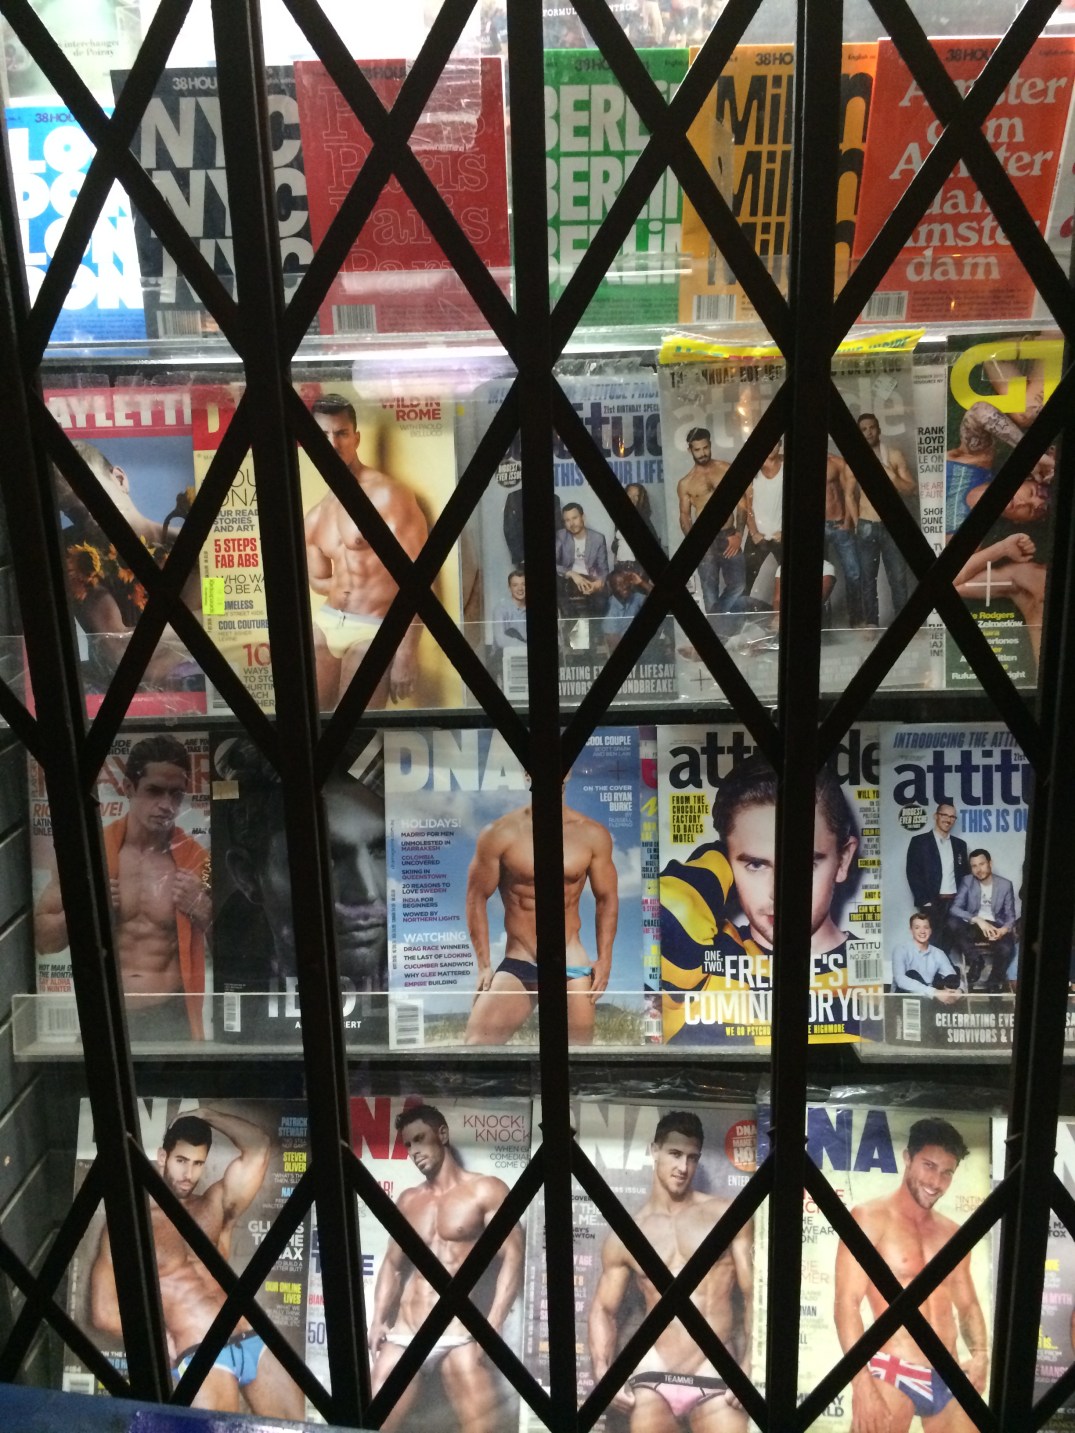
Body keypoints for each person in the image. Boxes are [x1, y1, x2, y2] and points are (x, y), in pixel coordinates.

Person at [90, 1107, 304, 1418]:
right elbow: (103, 1313)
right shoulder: (131, 1224)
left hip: (251, 1337)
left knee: (299, 1428)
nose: (188, 1173)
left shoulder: (214, 1203)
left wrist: (206, 1115)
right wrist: (159, 1338)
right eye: (181, 1161)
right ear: (163, 1157)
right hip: (200, 1351)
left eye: (197, 1163)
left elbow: (258, 1146)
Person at [660, 754, 860, 1043]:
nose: (779, 893)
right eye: (755, 864)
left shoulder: (877, 974)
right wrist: (717, 856)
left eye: (802, 864)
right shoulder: (702, 960)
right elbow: (669, 910)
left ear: (843, 860)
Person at [34, 734, 209, 1041]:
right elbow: (43, 940)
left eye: (176, 795)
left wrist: (204, 911)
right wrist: (85, 911)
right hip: (103, 1011)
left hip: (170, 1016)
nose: (166, 805)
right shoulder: (91, 856)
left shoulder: (196, 859)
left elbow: (237, 951)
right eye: (154, 791)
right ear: (128, 788)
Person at [589, 1110, 753, 1432]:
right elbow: (603, 1309)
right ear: (654, 1151)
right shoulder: (628, 1234)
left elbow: (754, 1297)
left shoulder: (727, 1216)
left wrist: (750, 1364)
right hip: (654, 1368)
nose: (683, 1167)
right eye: (675, 1154)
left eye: (692, 1157)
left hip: (713, 1366)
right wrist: (601, 1368)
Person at [367, 1104, 524, 1433]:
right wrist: (378, 1318)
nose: (414, 1151)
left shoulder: (485, 1190)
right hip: (406, 1333)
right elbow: (393, 1265)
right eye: (408, 1145)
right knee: (370, 1425)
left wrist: (494, 1324)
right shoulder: (409, 1201)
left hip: (457, 1333)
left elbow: (513, 1256)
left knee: (483, 1429)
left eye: (420, 1139)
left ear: (442, 1134)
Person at [834, 1117, 988, 1432]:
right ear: (907, 1158)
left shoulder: (952, 1234)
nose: (936, 1181)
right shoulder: (870, 1218)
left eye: (947, 1172)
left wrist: (981, 1354)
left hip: (948, 1373)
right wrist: (861, 1385)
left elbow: (968, 1304)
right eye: (929, 1166)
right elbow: (846, 1304)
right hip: (894, 1371)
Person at [211, 736, 387, 1004]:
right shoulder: (223, 963)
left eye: (382, 850)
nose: (367, 892)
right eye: (323, 857)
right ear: (247, 876)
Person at [464, 776, 618, 1045]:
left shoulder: (592, 834)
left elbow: (606, 898)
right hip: (520, 958)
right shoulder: (499, 833)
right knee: (476, 1046)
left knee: (576, 1056)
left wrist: (605, 960)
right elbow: (476, 897)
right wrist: (484, 965)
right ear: (526, 773)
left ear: (569, 773)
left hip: (570, 961)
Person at [303, 393, 429, 711]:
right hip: (327, 623)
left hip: (374, 628)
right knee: (312, 724)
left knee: (358, 729)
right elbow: (317, 579)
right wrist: (341, 585)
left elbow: (420, 578)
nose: (332, 444)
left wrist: (406, 651)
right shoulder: (316, 514)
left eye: (341, 433)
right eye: (323, 435)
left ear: (356, 438)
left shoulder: (388, 496)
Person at [57, 440, 200, 690]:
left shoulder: (195, 546)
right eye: (73, 512)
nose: (90, 517)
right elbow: (120, 651)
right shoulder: (80, 559)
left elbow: (227, 623)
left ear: (120, 479)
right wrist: (205, 621)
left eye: (95, 497)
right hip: (116, 699)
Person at [849, 412, 917, 626]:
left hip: (892, 526)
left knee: (898, 578)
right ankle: (871, 623)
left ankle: (904, 624)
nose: (868, 432)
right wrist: (857, 523)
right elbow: (849, 494)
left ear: (878, 429)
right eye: (863, 429)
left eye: (871, 428)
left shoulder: (894, 455)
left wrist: (893, 476)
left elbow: (911, 489)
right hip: (866, 524)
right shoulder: (856, 458)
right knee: (867, 579)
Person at [676, 428, 745, 614]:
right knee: (709, 593)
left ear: (710, 445)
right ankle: (716, 629)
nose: (702, 453)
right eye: (697, 450)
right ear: (690, 450)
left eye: (705, 448)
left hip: (729, 535)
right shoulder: (686, 483)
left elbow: (742, 502)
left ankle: (716, 618)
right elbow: (684, 515)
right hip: (704, 540)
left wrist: (739, 534)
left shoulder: (726, 469)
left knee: (738, 585)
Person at [947, 849, 1018, 993]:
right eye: (974, 866)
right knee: (952, 923)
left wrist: (1002, 930)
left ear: (990, 863)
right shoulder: (967, 881)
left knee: (1007, 948)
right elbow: (954, 908)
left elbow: (1010, 916)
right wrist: (977, 919)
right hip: (974, 925)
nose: (978, 869)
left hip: (995, 926)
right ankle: (976, 961)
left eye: (982, 864)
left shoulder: (1005, 884)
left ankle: (994, 981)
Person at [905, 801, 970, 951]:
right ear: (936, 816)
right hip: (932, 901)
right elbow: (912, 872)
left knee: (951, 938)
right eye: (944, 815)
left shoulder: (960, 844)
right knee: (934, 940)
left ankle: (944, 966)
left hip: (954, 901)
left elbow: (965, 874)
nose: (948, 819)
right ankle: (938, 967)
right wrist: (925, 901)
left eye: (952, 817)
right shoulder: (919, 841)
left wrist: (963, 900)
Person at [555, 502, 611, 648]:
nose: (571, 523)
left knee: (601, 601)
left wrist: (598, 584)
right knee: (561, 593)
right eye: (567, 520)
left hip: (590, 578)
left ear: (583, 517)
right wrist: (572, 574)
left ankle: (591, 640)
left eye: (574, 518)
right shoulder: (560, 536)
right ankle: (576, 641)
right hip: (568, 580)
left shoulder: (598, 538)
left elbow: (603, 569)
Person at [825, 451, 865, 628]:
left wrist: (848, 522)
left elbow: (850, 493)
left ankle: (856, 619)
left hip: (838, 524)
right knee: (819, 576)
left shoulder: (836, 463)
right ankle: (823, 622)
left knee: (854, 573)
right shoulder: (798, 464)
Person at [742, 445, 785, 598]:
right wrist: (754, 532)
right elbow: (746, 506)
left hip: (781, 536)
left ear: (780, 444)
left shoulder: (788, 465)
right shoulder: (752, 469)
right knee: (744, 584)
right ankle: (742, 614)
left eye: (775, 442)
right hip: (757, 537)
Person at [891, 912, 963, 1002]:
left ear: (930, 930)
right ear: (911, 930)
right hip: (902, 998)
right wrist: (934, 992)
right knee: (911, 974)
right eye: (917, 927)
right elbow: (900, 980)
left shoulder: (938, 953)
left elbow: (953, 977)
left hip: (928, 999)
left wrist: (959, 991)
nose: (922, 931)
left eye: (926, 927)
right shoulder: (900, 950)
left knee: (952, 978)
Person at [612, 481, 661, 575]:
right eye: (629, 494)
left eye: (636, 496)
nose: (632, 498)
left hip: (638, 569)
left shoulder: (644, 520)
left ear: (641, 499)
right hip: (621, 566)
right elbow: (615, 544)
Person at [490, 568, 528, 652]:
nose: (520, 588)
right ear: (509, 588)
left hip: (524, 654)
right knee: (511, 632)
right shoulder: (500, 609)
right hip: (502, 654)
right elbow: (500, 640)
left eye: (524, 584)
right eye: (515, 585)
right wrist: (526, 647)